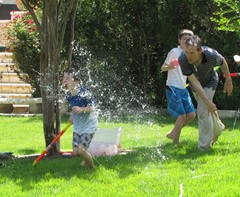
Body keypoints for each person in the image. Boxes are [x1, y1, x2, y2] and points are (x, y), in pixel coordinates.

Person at [179, 35, 233, 151]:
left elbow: (223, 62)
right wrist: (207, 102)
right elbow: (194, 82)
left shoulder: (211, 55)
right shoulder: (183, 59)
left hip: (210, 81)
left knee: (203, 111)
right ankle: (218, 127)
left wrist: (228, 79)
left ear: (200, 50)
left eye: (192, 53)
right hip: (196, 85)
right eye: (187, 52)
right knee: (206, 107)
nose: (188, 56)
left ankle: (204, 147)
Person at [161, 29, 196, 144]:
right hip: (173, 86)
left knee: (191, 115)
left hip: (183, 87)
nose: (186, 41)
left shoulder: (191, 54)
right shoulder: (174, 51)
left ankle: (172, 133)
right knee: (181, 115)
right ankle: (175, 143)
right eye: (184, 39)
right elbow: (163, 67)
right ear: (179, 41)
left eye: (189, 39)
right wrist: (169, 66)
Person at [62, 68, 98, 169]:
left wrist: (82, 109)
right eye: (64, 77)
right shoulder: (68, 94)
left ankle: (92, 168)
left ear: (77, 81)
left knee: (81, 150)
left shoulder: (84, 93)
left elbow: (93, 107)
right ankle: (87, 156)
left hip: (89, 125)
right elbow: (72, 106)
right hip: (78, 125)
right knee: (75, 152)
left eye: (68, 78)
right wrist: (72, 115)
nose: (65, 80)